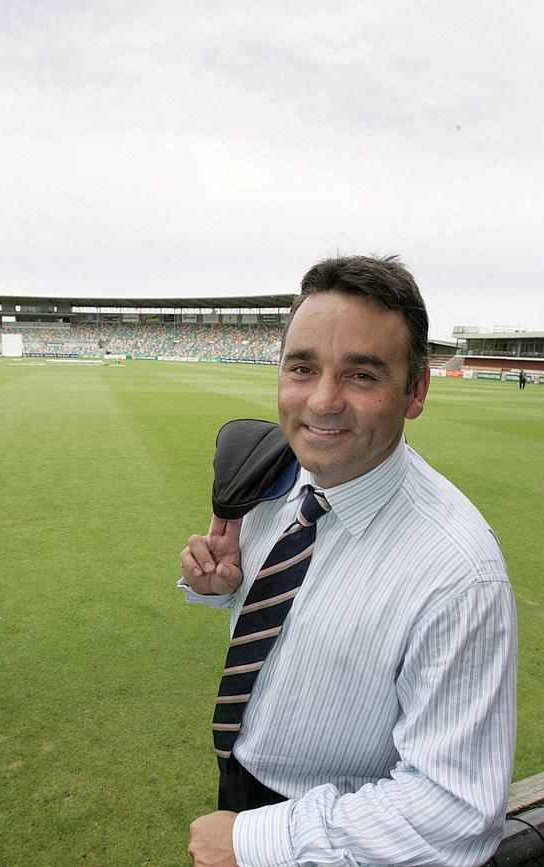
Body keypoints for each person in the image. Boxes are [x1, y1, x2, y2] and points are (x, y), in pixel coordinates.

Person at [179, 255, 517, 867]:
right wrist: (220, 589)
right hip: (240, 775)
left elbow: (455, 813)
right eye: (301, 368)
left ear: (415, 391)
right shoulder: (270, 478)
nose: (322, 401)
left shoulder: (459, 574)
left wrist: (257, 841)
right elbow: (295, 609)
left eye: (361, 376)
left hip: (346, 833)